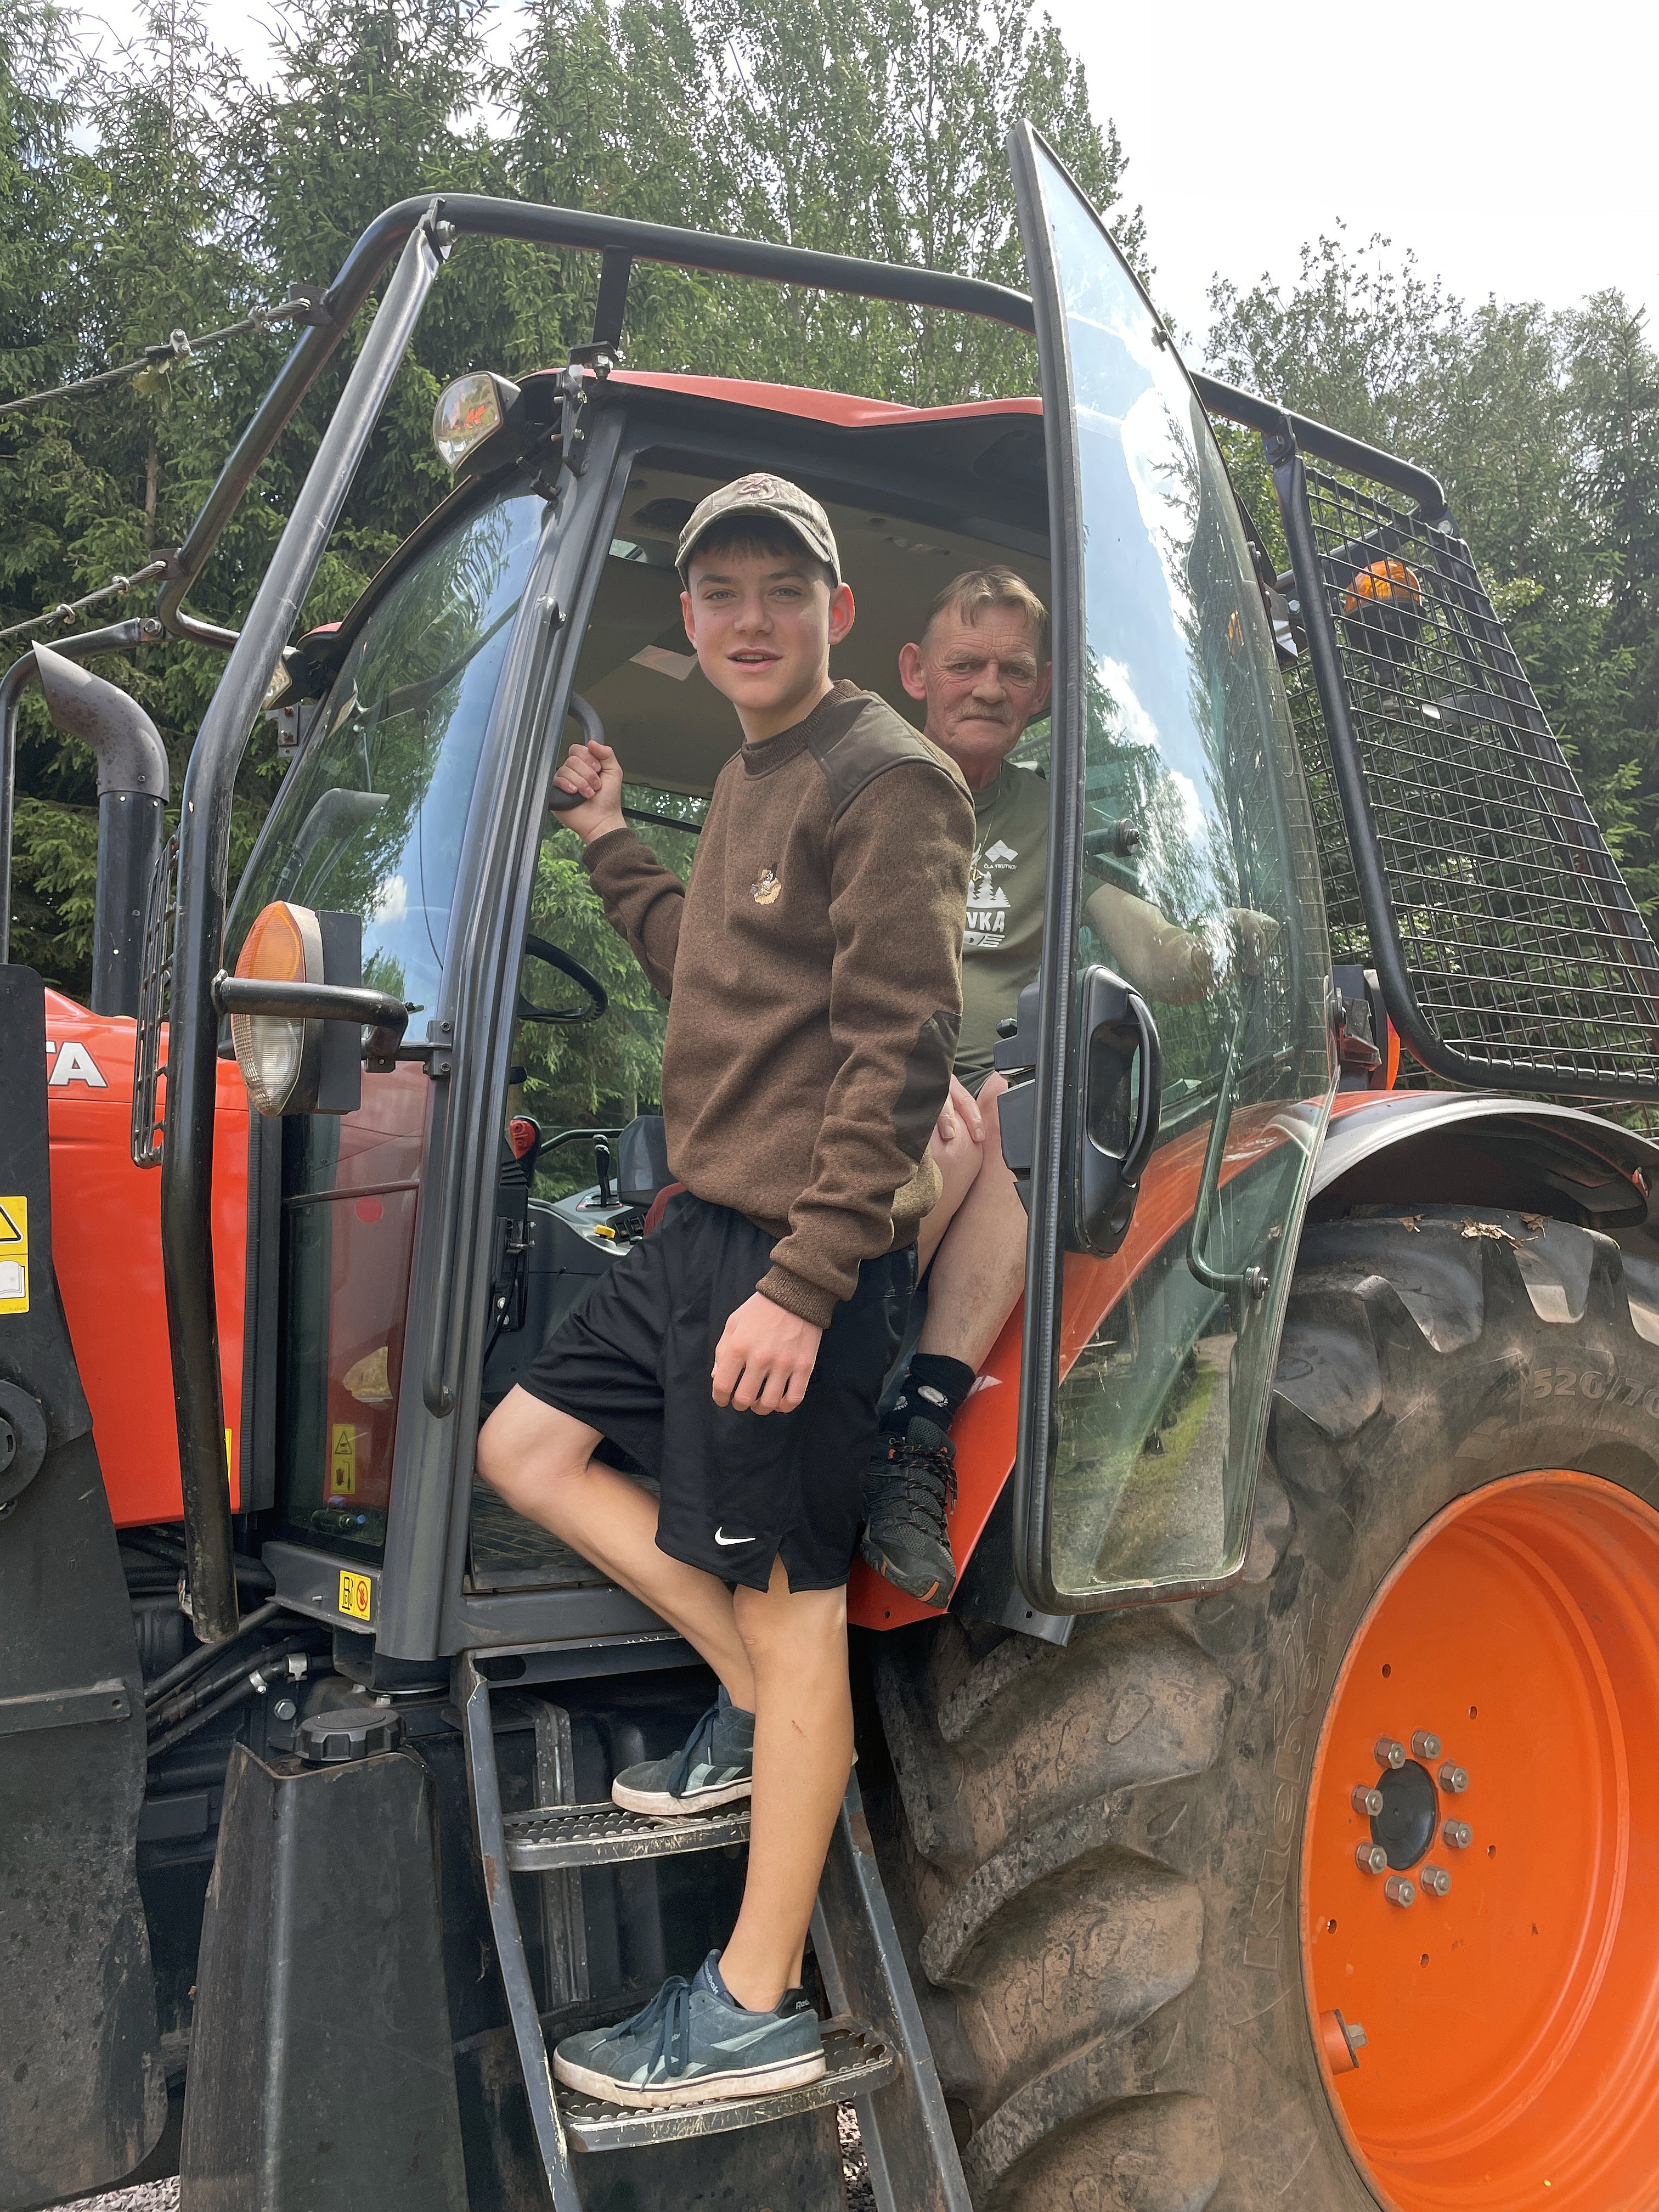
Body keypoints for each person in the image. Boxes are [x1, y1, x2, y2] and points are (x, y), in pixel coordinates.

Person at [476, 475, 974, 2108]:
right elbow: (710, 965)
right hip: (697, 1237)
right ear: (690, 620)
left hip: (792, 1260)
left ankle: (755, 2002)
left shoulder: (885, 777)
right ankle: (758, 1711)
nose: (750, 618)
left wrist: (809, 1285)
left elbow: (903, 1049)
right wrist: (606, 836)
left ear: (837, 608)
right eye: (721, 594)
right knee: (523, 1448)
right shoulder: (759, 773)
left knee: (795, 1605)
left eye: (782, 588)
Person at [860, 567, 1277, 1606]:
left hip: (987, 1103)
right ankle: (841, 1392)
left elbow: (1164, 960)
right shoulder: (864, 786)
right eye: (965, 664)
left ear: (1042, 690)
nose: (988, 687)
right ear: (916, 672)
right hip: (867, 1085)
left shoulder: (1052, 816)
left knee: (1028, 1115)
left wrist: (1230, 938)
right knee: (959, 1130)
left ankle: (913, 1437)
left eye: (1013, 670)